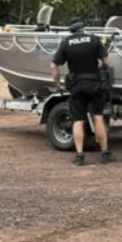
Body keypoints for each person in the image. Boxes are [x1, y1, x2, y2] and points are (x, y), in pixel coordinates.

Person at [50, 17, 114, 165]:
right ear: (84, 28)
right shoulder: (94, 40)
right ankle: (105, 153)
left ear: (71, 29)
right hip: (94, 84)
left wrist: (57, 83)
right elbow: (107, 62)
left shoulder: (66, 43)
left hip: (77, 85)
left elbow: (53, 66)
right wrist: (102, 70)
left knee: (78, 120)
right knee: (97, 118)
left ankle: (79, 156)